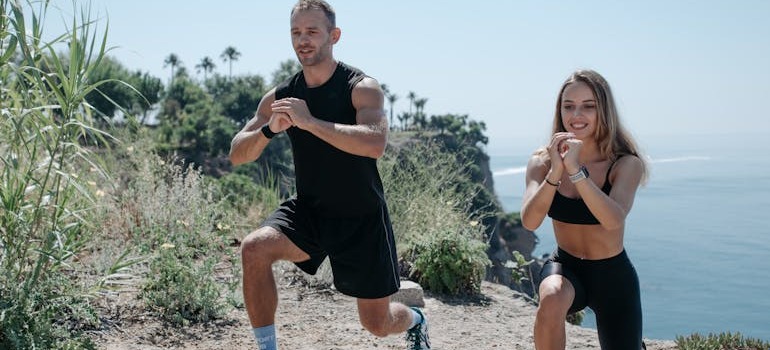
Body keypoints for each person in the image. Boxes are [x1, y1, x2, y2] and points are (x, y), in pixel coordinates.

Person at [228, 1, 429, 349]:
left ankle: (416, 320)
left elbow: (375, 143)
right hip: (310, 210)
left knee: (377, 323)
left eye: (312, 31)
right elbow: (236, 154)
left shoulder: (361, 87)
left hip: (361, 217)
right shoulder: (281, 96)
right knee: (254, 249)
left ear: (333, 36)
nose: (303, 40)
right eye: (296, 32)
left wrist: (310, 123)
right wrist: (268, 131)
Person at [520, 69, 648, 350]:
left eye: (588, 106)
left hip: (613, 275)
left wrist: (576, 170)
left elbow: (613, 220)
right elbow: (530, 221)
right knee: (551, 297)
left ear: (604, 110)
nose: (577, 114)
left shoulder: (625, 164)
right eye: (569, 106)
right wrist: (556, 171)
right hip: (566, 268)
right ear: (560, 110)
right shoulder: (541, 162)